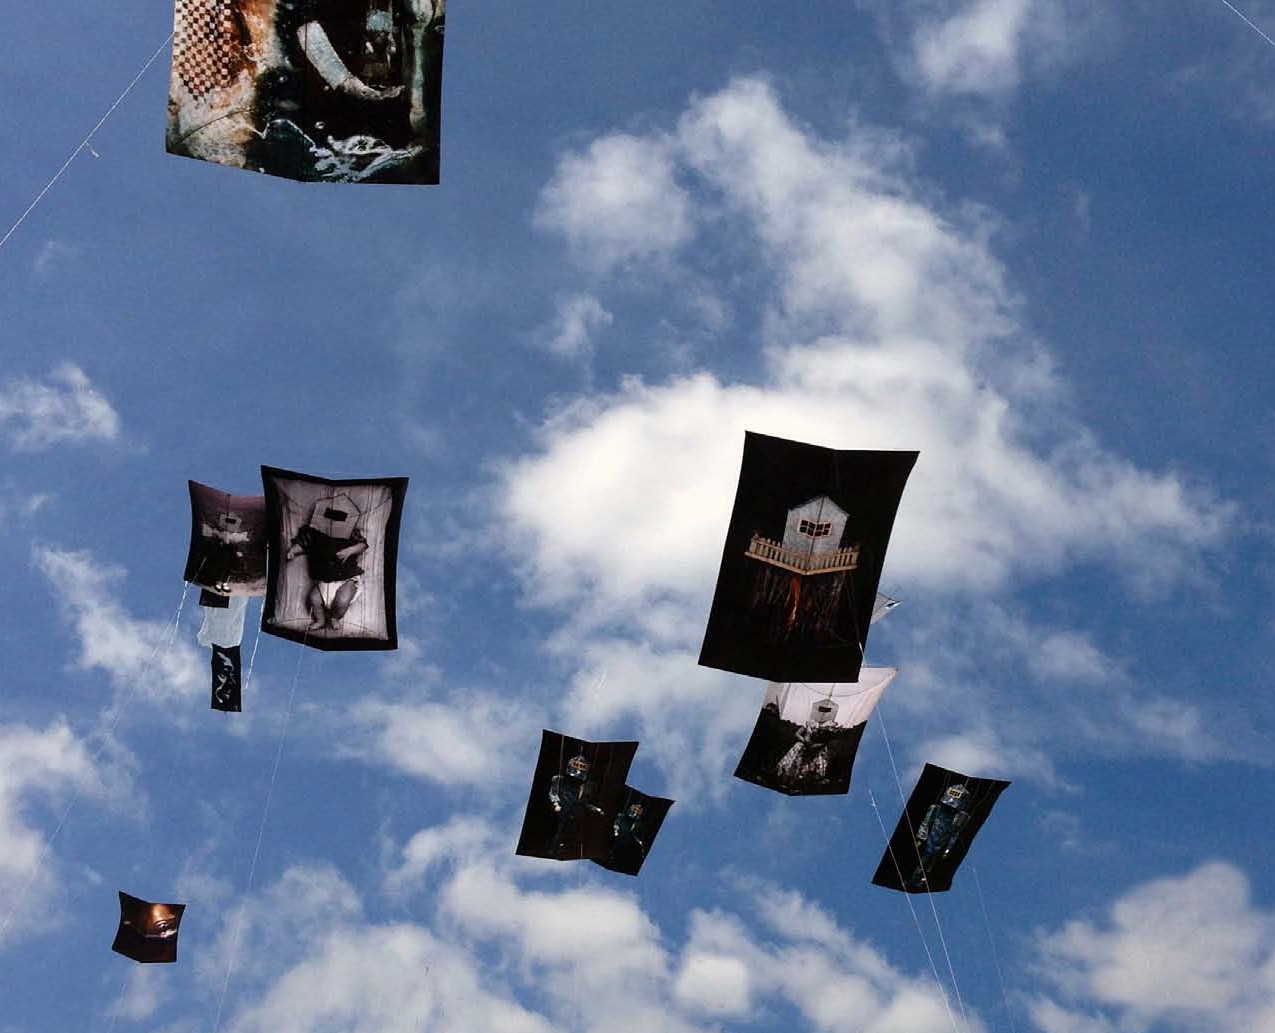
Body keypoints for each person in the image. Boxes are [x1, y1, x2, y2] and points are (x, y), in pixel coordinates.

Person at [285, 508, 368, 633]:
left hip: (347, 577)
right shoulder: (314, 533)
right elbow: (303, 545)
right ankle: (320, 619)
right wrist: (293, 551)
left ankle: (335, 617)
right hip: (325, 579)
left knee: (342, 600)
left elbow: (362, 545)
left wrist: (349, 550)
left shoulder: (351, 531)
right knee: (314, 598)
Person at [907, 783, 971, 889]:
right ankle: (914, 879)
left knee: (931, 863)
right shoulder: (936, 809)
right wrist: (921, 838)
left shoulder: (960, 817)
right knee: (923, 859)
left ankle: (923, 878)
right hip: (930, 841)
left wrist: (948, 848)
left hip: (942, 844)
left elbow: (955, 834)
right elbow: (926, 822)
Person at [548, 754, 603, 858]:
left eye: (582, 766)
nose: (578, 769)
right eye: (576, 765)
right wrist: (556, 803)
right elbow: (553, 793)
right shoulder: (559, 780)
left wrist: (596, 809)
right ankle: (553, 850)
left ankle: (561, 847)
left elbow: (583, 802)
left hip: (574, 814)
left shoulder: (584, 787)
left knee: (570, 832)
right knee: (560, 831)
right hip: (563, 810)